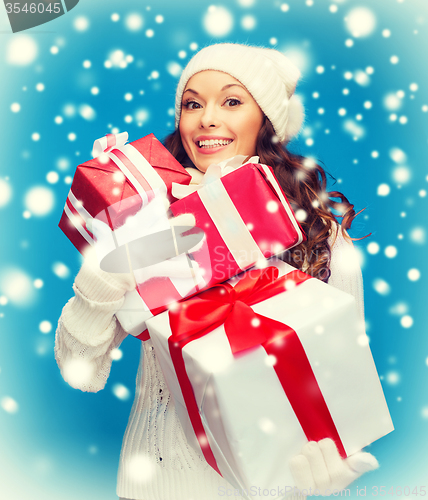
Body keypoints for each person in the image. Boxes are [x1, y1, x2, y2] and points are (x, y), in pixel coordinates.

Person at [55, 43, 379, 500]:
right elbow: (78, 370)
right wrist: (103, 278)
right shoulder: (150, 213)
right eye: (193, 103)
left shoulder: (318, 232)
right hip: (156, 483)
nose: (206, 118)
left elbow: (340, 367)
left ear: (265, 120)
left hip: (264, 488)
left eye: (231, 100)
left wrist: (335, 455)